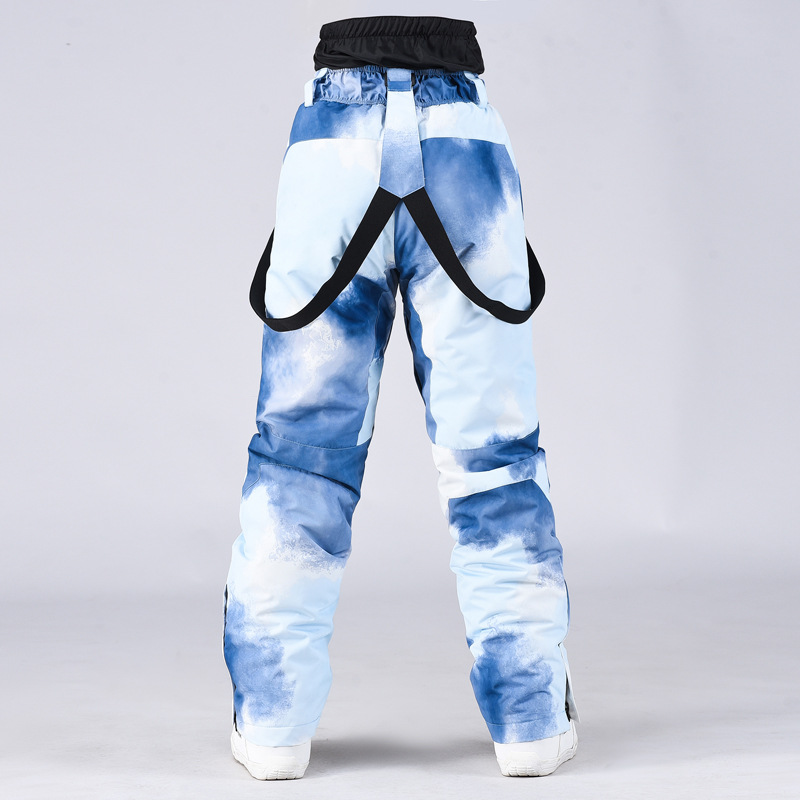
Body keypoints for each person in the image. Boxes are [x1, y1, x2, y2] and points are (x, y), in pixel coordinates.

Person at [222, 14, 580, 781]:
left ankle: (272, 724)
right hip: (461, 143)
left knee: (299, 460)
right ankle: (531, 723)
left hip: (333, 143)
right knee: (494, 459)